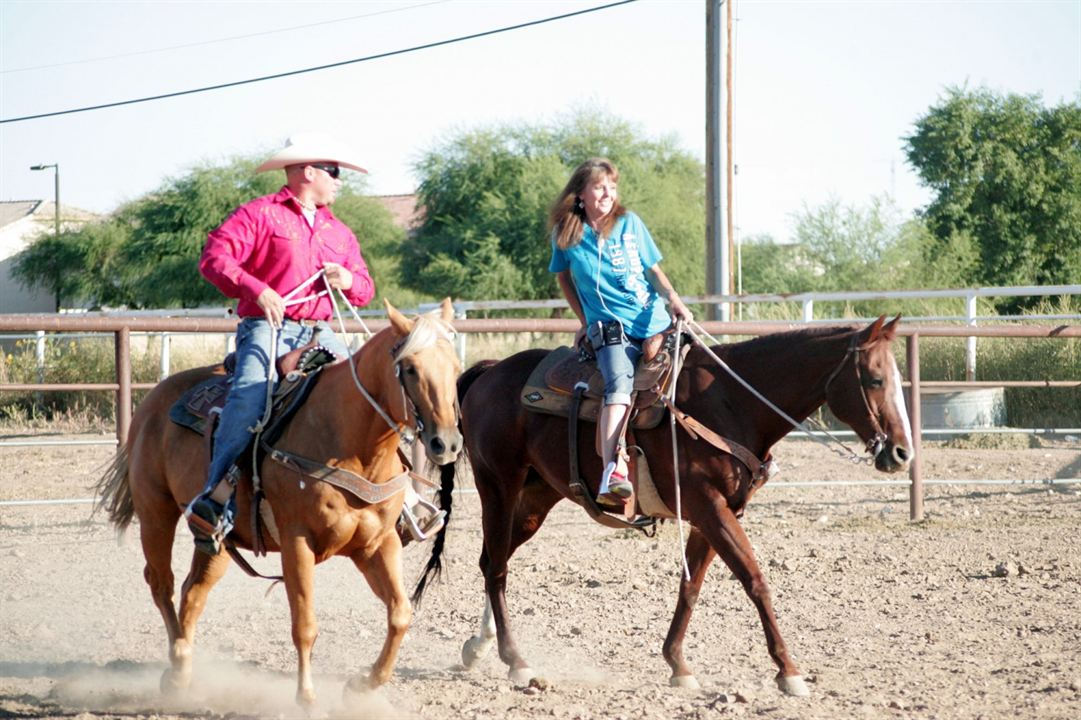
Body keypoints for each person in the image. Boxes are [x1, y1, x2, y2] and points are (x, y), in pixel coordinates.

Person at [184, 133, 375, 555]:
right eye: (334, 172)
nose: (340, 181)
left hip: (320, 330)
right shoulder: (259, 215)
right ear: (308, 173)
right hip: (266, 326)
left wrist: (348, 281)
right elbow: (215, 260)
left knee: (368, 391)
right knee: (250, 398)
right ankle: (216, 500)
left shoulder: (339, 232)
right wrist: (258, 288)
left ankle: (397, 496)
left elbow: (365, 288)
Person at [548, 158, 693, 501]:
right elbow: (563, 277)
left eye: (612, 188)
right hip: (610, 328)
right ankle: (614, 467)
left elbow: (652, 270)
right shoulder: (566, 234)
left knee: (698, 368)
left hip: (653, 319)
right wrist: (585, 321)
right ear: (580, 193)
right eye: (599, 187)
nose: (607, 194)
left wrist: (673, 298)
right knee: (619, 386)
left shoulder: (630, 223)